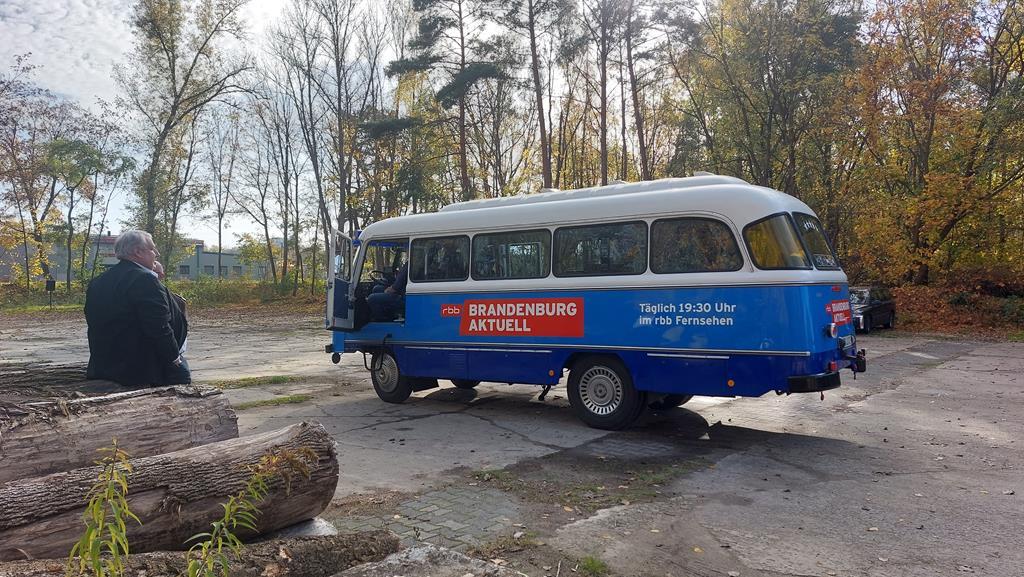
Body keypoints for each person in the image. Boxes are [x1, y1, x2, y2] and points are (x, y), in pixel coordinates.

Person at [84, 230, 191, 386]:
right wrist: (174, 360)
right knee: (183, 386)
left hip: (105, 365)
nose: (157, 253)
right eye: (152, 249)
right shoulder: (143, 279)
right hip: (141, 369)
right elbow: (158, 326)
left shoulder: (99, 280)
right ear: (138, 252)